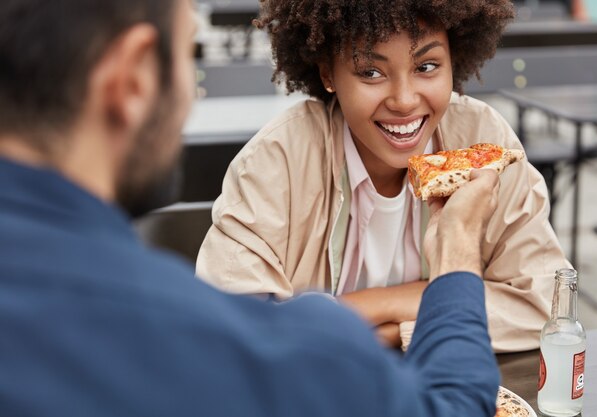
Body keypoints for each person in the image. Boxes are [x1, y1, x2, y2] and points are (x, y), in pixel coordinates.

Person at [0, 0, 502, 415]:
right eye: (189, 52)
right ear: (131, 78)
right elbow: (452, 406)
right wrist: (456, 249)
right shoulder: (187, 338)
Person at [196, 0, 571, 351]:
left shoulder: (483, 144)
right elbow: (227, 333)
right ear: (328, 72)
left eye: (426, 66)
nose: (405, 100)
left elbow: (548, 303)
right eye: (370, 72)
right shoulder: (278, 159)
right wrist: (445, 301)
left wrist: (376, 317)